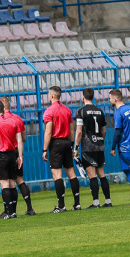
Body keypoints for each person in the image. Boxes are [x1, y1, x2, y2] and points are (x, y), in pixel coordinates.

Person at [43, 85, 80, 213]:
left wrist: (44, 149)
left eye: (49, 94)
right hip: (67, 142)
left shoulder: (49, 111)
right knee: (71, 173)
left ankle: (61, 205)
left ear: (52, 96)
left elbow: (48, 131)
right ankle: (77, 204)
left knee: (57, 175)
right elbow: (71, 130)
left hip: (56, 143)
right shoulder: (67, 110)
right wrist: (71, 145)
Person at [74, 88, 111, 208]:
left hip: (88, 146)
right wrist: (100, 140)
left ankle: (96, 203)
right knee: (102, 174)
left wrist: (76, 147)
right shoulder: (100, 111)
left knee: (92, 175)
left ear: (83, 97)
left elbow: (79, 132)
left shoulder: (80, 111)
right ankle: (108, 201)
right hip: (99, 145)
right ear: (93, 97)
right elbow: (104, 131)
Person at [0, 96, 36, 215]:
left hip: (5, 153)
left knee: (6, 182)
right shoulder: (18, 119)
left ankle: (9, 211)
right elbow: (23, 138)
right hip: (17, 151)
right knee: (20, 180)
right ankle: (30, 208)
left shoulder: (0, 120)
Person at [0, 99, 23, 218]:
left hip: (1, 156)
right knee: (12, 183)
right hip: (13, 155)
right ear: (3, 110)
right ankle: (13, 211)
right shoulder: (13, 122)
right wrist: (20, 156)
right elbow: (19, 140)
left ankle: (8, 212)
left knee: (4, 184)